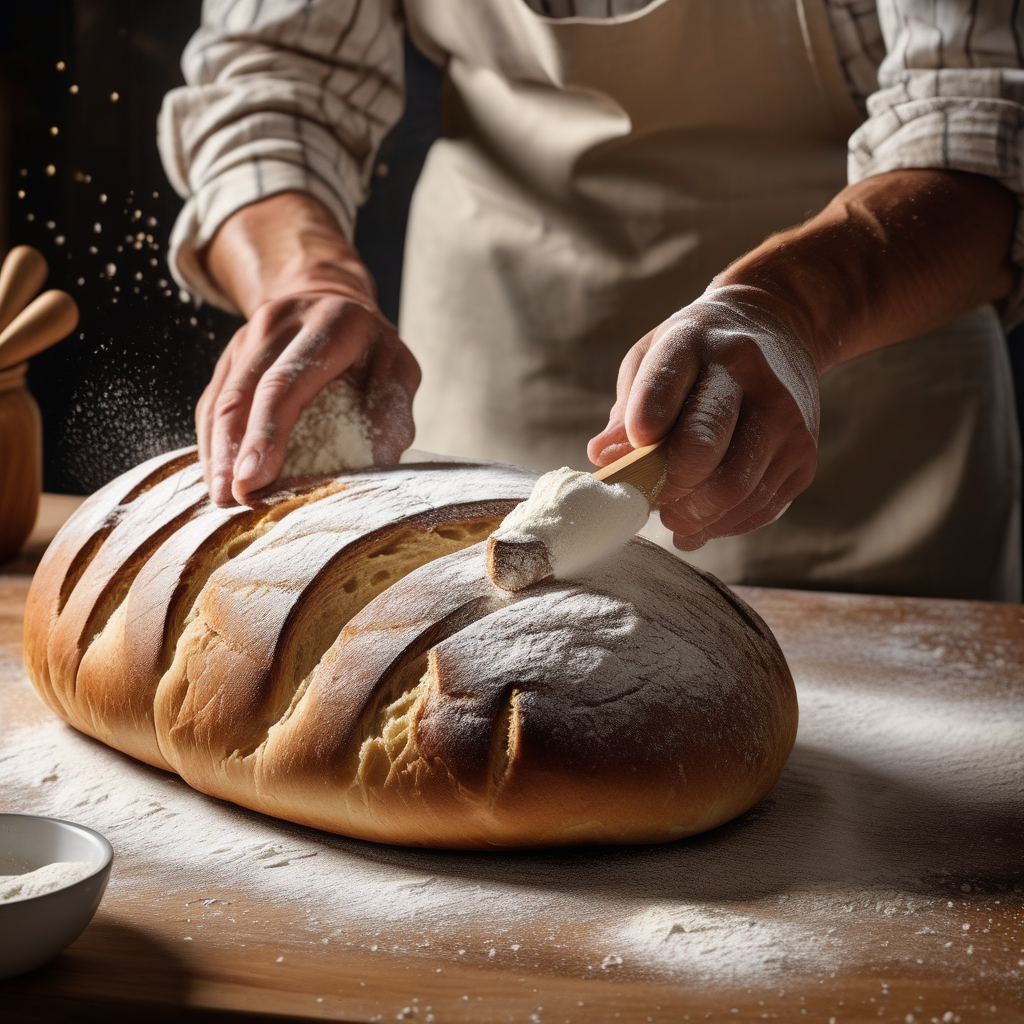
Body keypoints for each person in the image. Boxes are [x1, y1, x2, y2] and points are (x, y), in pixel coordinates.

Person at [158, 0, 1023, 602]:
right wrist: (307, 276)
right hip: (490, 379)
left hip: (856, 406)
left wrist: (789, 309)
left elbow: (983, 112)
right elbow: (272, 75)